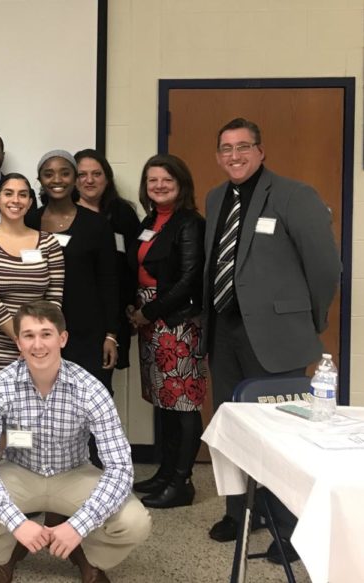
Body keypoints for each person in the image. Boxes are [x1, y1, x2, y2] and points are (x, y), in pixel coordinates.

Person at [202, 118, 341, 543]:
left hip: (278, 334)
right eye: (226, 148)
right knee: (231, 426)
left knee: (284, 433)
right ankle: (238, 512)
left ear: (261, 151)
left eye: (243, 146)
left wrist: (310, 321)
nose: (235, 156)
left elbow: (325, 267)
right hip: (225, 330)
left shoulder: (294, 196)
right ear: (218, 156)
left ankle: (288, 522)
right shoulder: (215, 198)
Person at [0, 301, 151, 583]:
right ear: (18, 342)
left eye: (46, 334)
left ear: (62, 338)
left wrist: (79, 527)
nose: (38, 345)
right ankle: (5, 557)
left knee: (135, 523)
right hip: (19, 471)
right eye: (29, 335)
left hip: (74, 472)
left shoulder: (90, 389)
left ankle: (89, 557)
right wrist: (17, 523)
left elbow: (120, 466)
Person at [126, 155, 206, 509]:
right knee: (164, 400)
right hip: (150, 319)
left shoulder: (189, 223)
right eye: (152, 180)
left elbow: (189, 279)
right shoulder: (150, 221)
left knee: (183, 402)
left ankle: (182, 482)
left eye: (166, 180)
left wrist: (148, 312)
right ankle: (166, 472)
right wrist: (136, 307)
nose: (158, 186)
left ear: (181, 183)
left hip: (176, 323)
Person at [28, 150, 118, 390]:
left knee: (90, 405)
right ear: (40, 180)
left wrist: (111, 335)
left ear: (75, 178)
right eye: (49, 174)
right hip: (42, 332)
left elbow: (109, 281)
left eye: (65, 173)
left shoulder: (96, 224)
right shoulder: (29, 221)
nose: (57, 180)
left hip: (88, 332)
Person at [0, 172, 64, 382]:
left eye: (22, 195)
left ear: (30, 202)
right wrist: (22, 339)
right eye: (8, 193)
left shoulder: (49, 243)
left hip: (40, 347)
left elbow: (54, 299)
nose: (15, 200)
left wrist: (38, 341)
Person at [74, 149, 140, 371]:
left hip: (114, 310)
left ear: (107, 178)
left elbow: (134, 263)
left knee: (102, 381)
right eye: (82, 174)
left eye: (96, 174)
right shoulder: (62, 215)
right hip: (73, 314)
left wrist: (132, 302)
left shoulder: (123, 214)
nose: (89, 180)